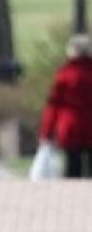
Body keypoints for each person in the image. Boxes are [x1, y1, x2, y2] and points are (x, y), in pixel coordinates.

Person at [37, 33, 92, 178]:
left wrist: (46, 133)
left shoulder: (64, 75)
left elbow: (53, 106)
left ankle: (73, 191)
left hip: (71, 128)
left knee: (72, 168)